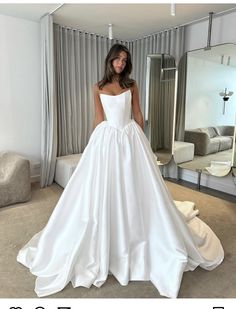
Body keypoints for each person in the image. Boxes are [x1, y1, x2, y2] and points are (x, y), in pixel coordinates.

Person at [17, 43, 224, 298]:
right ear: (110, 60)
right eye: (118, 59)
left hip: (130, 137)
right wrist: (93, 144)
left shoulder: (131, 85)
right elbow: (98, 117)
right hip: (106, 138)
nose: (121, 63)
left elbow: (138, 115)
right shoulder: (98, 87)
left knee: (136, 188)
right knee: (103, 190)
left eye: (125, 60)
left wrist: (143, 145)